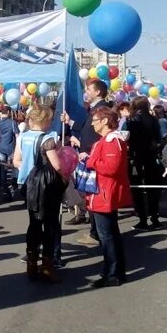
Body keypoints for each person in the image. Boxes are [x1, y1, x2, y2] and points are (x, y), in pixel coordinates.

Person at [14, 104, 66, 283]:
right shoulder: (47, 140)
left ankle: (31, 263)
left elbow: (16, 161)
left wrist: (29, 172)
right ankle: (47, 266)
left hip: (27, 185)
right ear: (44, 120)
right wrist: (65, 176)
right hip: (46, 187)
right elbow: (57, 165)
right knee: (50, 225)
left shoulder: (22, 137)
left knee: (34, 223)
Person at [84, 107, 131, 288]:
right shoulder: (107, 140)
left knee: (107, 236)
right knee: (111, 234)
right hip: (102, 192)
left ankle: (112, 273)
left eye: (95, 120)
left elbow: (111, 168)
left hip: (105, 192)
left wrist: (91, 161)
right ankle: (116, 271)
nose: (93, 123)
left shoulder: (112, 140)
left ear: (104, 121)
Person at [61, 79, 109, 240]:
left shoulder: (103, 110)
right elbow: (85, 128)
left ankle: (97, 233)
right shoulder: (94, 109)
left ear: (98, 92)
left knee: (95, 197)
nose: (86, 92)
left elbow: (99, 136)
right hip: (88, 158)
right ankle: (95, 231)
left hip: (94, 158)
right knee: (89, 196)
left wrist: (86, 148)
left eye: (89, 89)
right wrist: (69, 122)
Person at [126, 97, 164, 231]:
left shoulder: (131, 120)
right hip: (152, 156)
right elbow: (159, 138)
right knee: (153, 188)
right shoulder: (154, 120)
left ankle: (143, 219)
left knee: (137, 189)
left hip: (136, 157)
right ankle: (155, 217)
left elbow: (127, 139)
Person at [0, 106, 19, 201]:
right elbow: (17, 136)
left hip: (1, 147)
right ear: (9, 112)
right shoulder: (12, 123)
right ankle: (13, 188)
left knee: (3, 170)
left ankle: (5, 190)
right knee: (14, 169)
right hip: (10, 148)